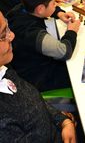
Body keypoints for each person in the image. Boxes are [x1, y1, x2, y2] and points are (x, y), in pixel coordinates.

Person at [0, 10, 77, 142]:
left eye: (7, 28)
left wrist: (63, 121)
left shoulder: (5, 70)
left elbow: (33, 100)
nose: (12, 35)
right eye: (2, 35)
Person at [6, 0, 80, 92]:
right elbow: (64, 51)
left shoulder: (20, 8)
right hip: (38, 78)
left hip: (24, 66)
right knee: (78, 69)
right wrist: (72, 31)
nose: (56, 5)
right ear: (40, 9)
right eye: (53, 3)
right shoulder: (31, 32)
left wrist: (59, 13)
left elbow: (44, 9)